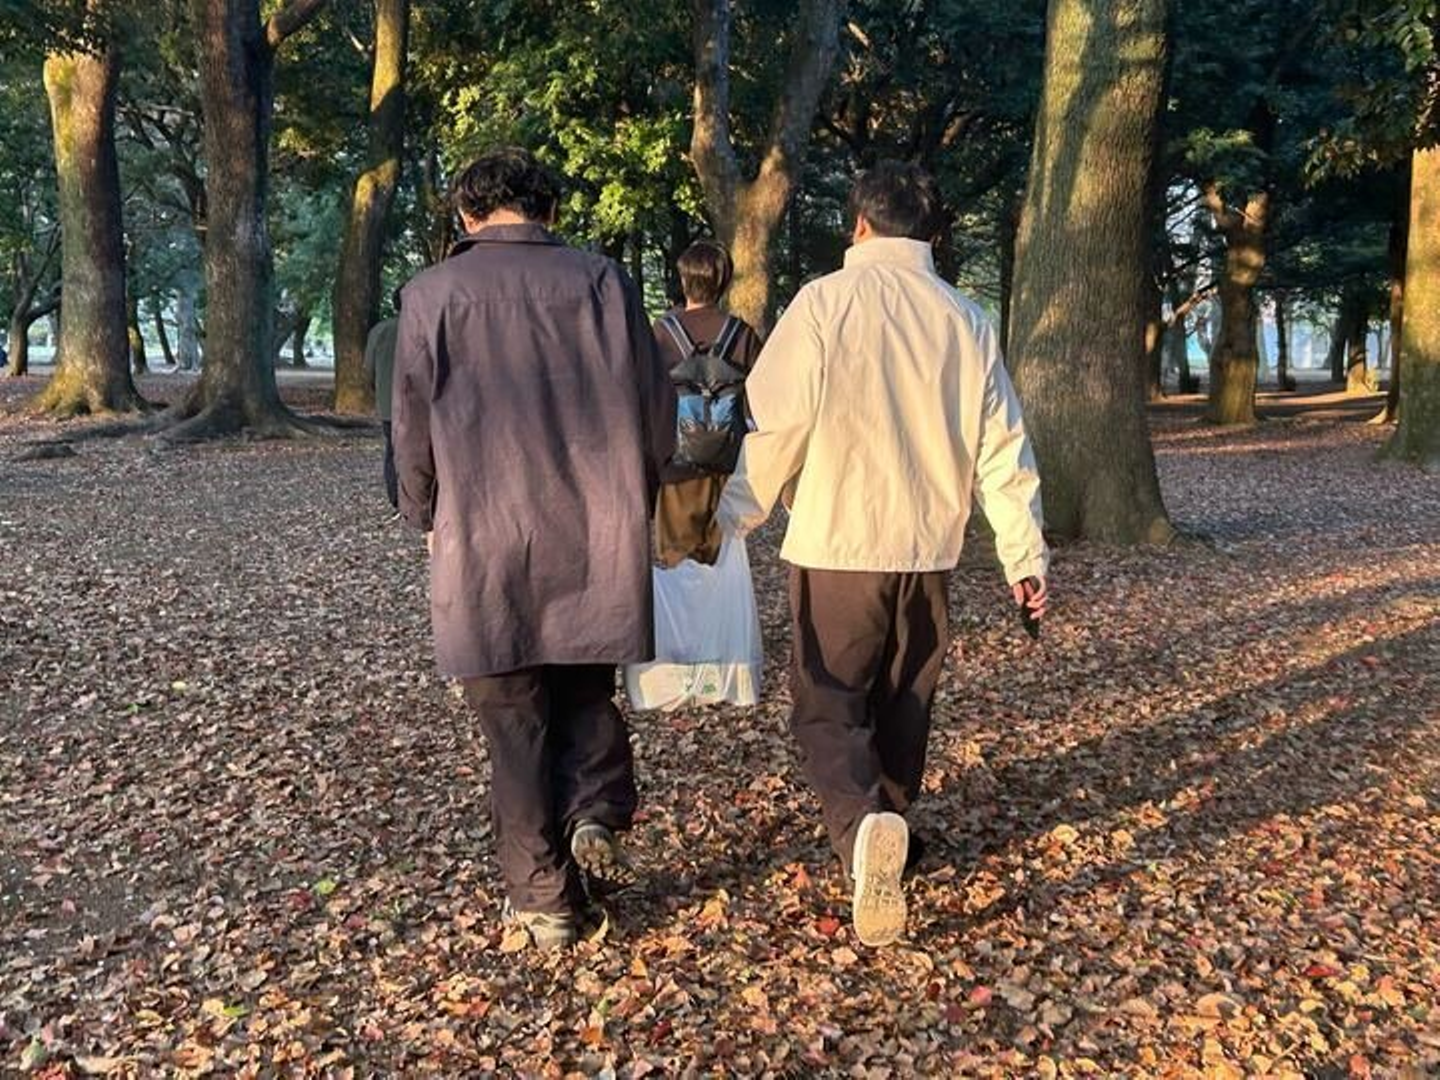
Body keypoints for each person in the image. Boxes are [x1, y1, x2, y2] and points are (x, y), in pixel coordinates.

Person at [717, 161, 1050, 948]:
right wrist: (1024, 557)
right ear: (931, 231)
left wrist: (729, 518)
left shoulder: (824, 302)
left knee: (828, 700)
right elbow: (1002, 448)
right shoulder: (966, 318)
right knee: (905, 698)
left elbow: (774, 424)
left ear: (859, 224)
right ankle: (891, 823)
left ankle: (863, 827)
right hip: (929, 545)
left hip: (838, 536)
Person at [392, 147, 677, 950]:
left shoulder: (430, 295)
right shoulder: (605, 283)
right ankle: (594, 806)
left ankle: (546, 896)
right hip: (593, 529)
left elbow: (411, 427)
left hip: (486, 535)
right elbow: (658, 414)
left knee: (514, 723)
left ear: (467, 215)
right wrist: (646, 492)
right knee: (586, 687)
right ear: (549, 211)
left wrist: (424, 511)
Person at [652, 240, 763, 568]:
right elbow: (762, 398)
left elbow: (646, 396)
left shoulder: (662, 333)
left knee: (676, 566)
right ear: (725, 282)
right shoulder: (742, 334)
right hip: (727, 466)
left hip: (677, 467)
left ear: (684, 279)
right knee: (721, 566)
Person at [363, 290, 401, 510]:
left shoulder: (379, 330)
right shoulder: (425, 326)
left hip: (388, 404)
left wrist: (378, 391)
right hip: (422, 405)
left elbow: (368, 370)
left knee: (392, 451)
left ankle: (395, 495)